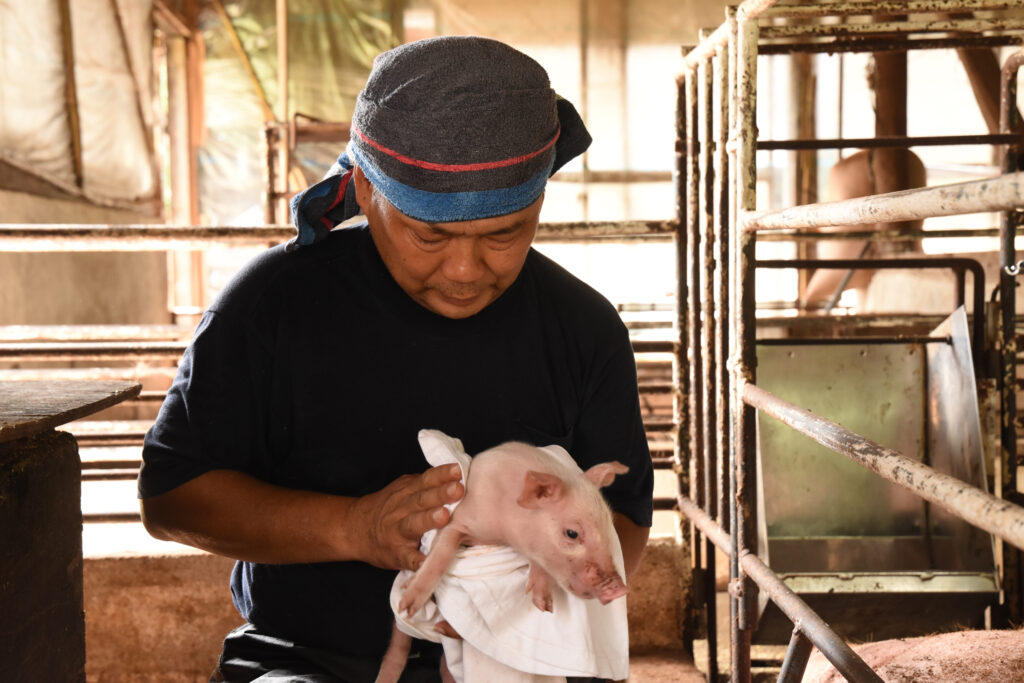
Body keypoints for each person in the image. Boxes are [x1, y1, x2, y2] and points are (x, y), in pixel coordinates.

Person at [139, 35, 654, 683]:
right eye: (429, 234)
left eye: (504, 232)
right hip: (307, 661)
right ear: (365, 187)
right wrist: (352, 526)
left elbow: (627, 515)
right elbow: (173, 497)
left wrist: (538, 604)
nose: (465, 270)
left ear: (540, 199)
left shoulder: (582, 327)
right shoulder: (274, 305)